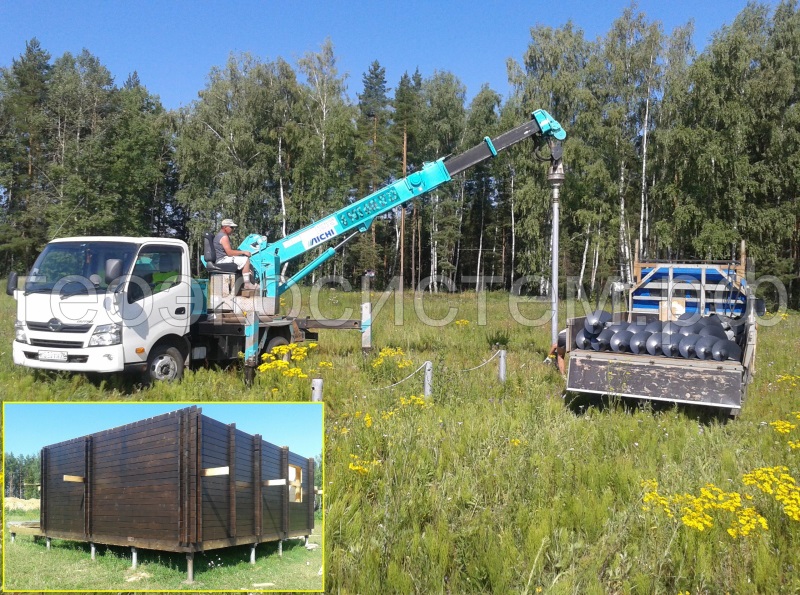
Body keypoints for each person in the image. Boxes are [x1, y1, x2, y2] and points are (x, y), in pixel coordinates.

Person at [214, 218, 258, 290]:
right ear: (225, 227)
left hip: (222, 259)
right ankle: (247, 284)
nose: (233, 229)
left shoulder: (219, 235)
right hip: (222, 260)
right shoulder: (224, 237)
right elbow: (229, 253)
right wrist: (243, 252)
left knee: (246, 263)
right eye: (231, 227)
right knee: (246, 260)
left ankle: (250, 282)